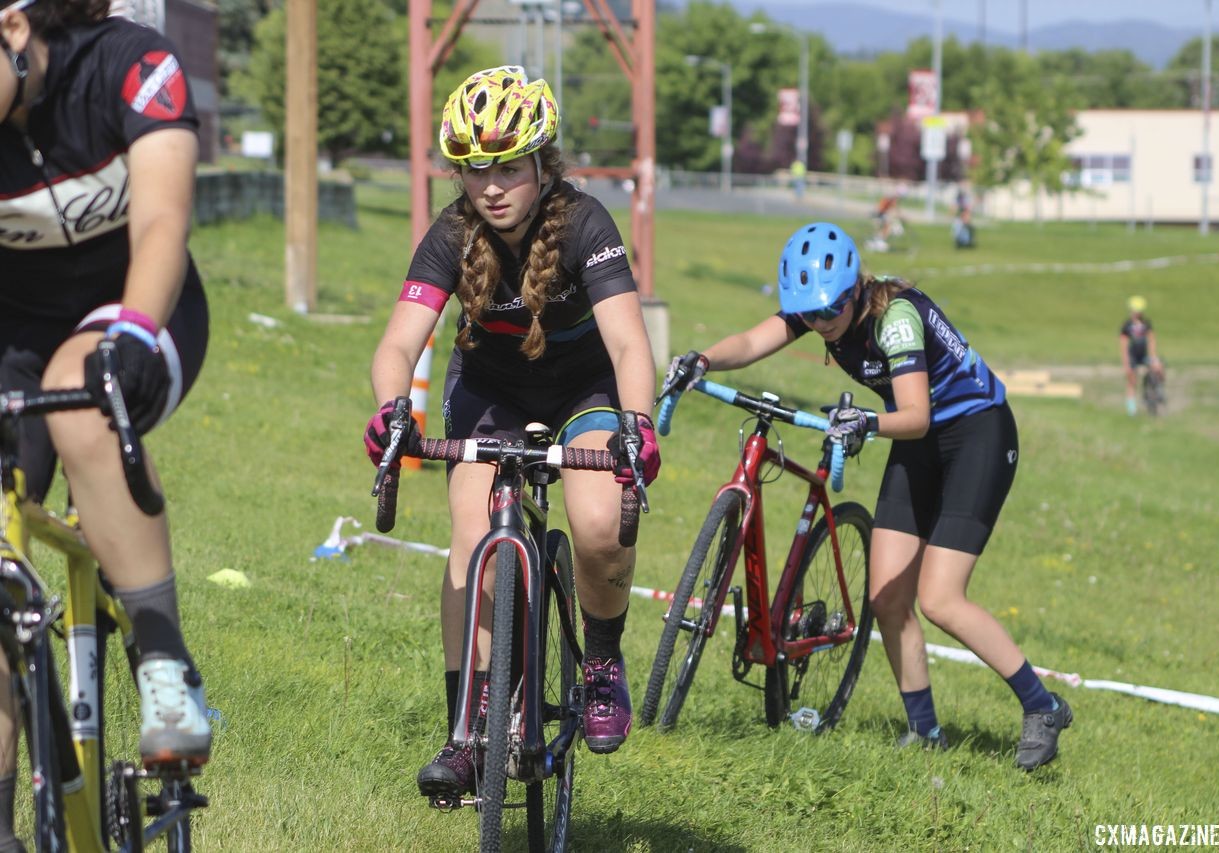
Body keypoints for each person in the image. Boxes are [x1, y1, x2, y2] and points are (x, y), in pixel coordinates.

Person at [664, 222, 1072, 771]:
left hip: (976, 433)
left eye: (830, 313)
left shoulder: (895, 319)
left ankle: (1042, 705)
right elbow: (754, 341)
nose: (821, 325)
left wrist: (865, 424)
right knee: (885, 598)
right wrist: (703, 360)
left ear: (856, 290)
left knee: (941, 599)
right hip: (919, 440)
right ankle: (925, 733)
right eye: (809, 316)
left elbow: (918, 415)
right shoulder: (819, 307)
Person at [363, 66, 658, 800]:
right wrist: (392, 408)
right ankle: (469, 729)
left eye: (506, 166)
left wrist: (638, 422)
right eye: (472, 168)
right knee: (473, 540)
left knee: (597, 524)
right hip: (490, 389)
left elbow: (627, 343)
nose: (489, 184)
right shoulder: (453, 232)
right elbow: (399, 344)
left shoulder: (586, 223)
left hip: (583, 391)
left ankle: (600, 661)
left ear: (540, 162)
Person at [0, 0, 211, 844]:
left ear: (14, 28)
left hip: (136, 305)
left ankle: (162, 661)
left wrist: (128, 333)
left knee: (82, 391)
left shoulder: (129, 63)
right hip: (12, 333)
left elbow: (162, 221)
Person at [1119, 295, 1163, 416]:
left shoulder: (1146, 324)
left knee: (1159, 367)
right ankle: (1131, 410)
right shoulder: (1127, 326)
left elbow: (1152, 340)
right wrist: (1126, 363)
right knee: (1132, 381)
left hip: (1144, 355)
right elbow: (1123, 346)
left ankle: (1158, 391)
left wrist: (1153, 358)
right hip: (1132, 356)